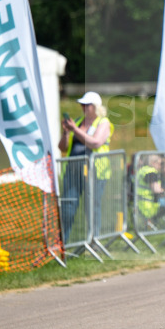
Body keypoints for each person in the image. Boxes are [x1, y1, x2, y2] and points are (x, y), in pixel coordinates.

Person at [58, 91, 113, 242]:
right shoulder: (77, 121)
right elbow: (62, 147)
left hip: (95, 172)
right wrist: (66, 133)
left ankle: (94, 242)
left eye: (87, 105)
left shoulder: (103, 122)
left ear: (95, 107)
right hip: (73, 171)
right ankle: (64, 243)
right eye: (82, 104)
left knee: (92, 208)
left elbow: (95, 143)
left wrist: (75, 130)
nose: (83, 107)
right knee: (68, 207)